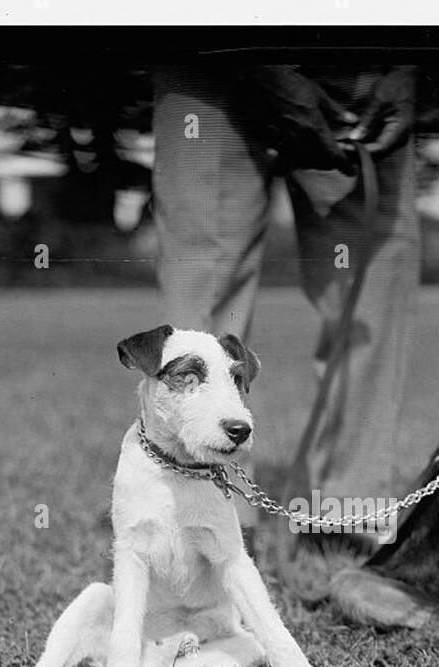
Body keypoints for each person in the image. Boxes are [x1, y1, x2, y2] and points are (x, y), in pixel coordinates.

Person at [150, 63, 419, 549]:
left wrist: (404, 65)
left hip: (357, 62)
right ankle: (208, 524)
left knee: (371, 295)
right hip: (210, 49)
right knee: (201, 302)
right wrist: (270, 66)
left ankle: (345, 517)